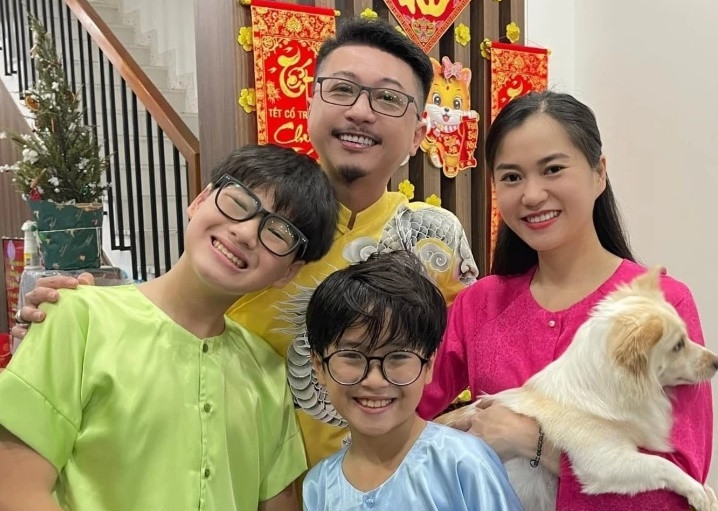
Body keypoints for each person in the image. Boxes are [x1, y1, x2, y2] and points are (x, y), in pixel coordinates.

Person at [13, 17, 478, 468]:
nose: (360, 111)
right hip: (235, 478)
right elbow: (171, 317)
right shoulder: (252, 225)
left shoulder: (435, 238)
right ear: (310, 105)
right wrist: (78, 324)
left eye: (388, 98)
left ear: (418, 134)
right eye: (342, 89)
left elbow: (464, 368)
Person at [417, 91, 713, 510]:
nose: (532, 194)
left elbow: (679, 494)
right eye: (512, 177)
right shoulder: (479, 303)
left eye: (553, 169)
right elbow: (405, 409)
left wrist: (534, 441)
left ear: (599, 173)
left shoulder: (662, 306)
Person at [0, 144, 338, 511]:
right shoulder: (78, 318)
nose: (245, 233)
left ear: (289, 272)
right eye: (239, 203)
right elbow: (17, 489)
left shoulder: (267, 372)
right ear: (200, 200)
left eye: (278, 233)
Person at [303, 251, 522, 511]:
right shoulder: (319, 486)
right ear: (319, 365)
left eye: (398, 357)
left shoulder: (465, 464)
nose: (375, 380)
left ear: (429, 365)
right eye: (352, 356)